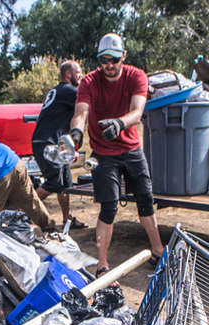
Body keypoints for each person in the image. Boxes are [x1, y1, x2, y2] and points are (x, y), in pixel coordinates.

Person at [67, 33, 164, 277]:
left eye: (114, 59)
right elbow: (80, 113)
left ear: (124, 56)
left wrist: (120, 124)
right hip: (102, 153)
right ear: (99, 60)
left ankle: (158, 251)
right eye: (103, 60)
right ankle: (102, 264)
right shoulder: (89, 81)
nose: (109, 65)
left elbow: (137, 111)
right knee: (108, 206)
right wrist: (76, 134)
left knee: (146, 200)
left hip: (131, 149)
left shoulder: (136, 76)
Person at [31, 60, 88, 229]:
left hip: (56, 144)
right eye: (78, 72)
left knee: (65, 183)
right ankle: (22, 212)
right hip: (46, 143)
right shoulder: (69, 91)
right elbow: (87, 105)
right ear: (68, 74)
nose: (81, 75)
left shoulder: (59, 90)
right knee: (54, 182)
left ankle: (67, 220)